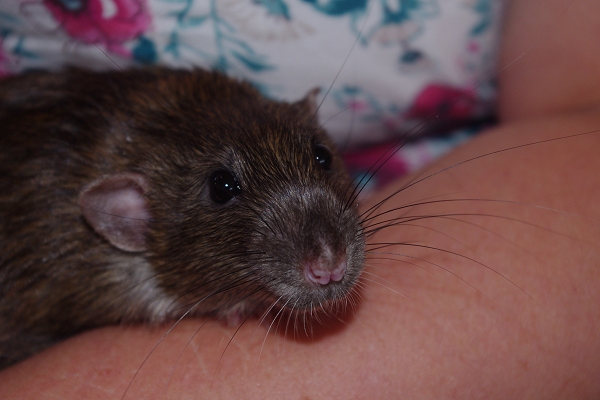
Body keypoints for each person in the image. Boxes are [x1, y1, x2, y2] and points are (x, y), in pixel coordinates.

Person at [1, 0, 600, 398]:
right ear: (130, 220)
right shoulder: (80, 239)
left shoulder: (233, 108)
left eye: (317, 156)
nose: (327, 257)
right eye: (225, 192)